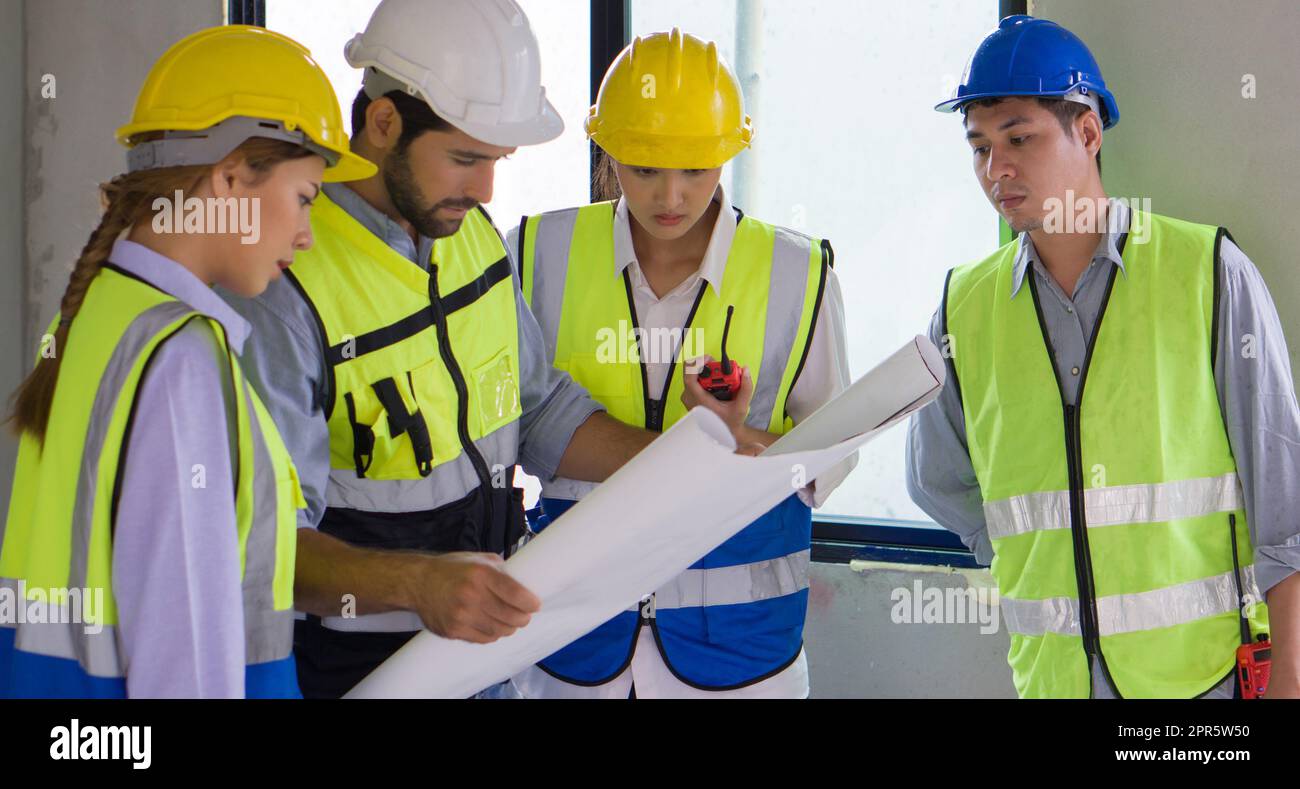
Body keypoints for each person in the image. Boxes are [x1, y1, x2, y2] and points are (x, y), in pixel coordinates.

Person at [222, 1, 757, 699]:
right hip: (355, 677)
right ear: (383, 123)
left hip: (483, 666)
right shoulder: (287, 289)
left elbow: (538, 414)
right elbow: (261, 550)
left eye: (496, 161)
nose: (485, 190)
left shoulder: (469, 235)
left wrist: (696, 450)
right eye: (466, 159)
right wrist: (419, 584)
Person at [906, 15, 1300, 698]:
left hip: (1202, 685)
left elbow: (1287, 514)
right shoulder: (963, 307)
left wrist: (1291, 680)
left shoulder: (1208, 275)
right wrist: (1030, 559)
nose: (995, 168)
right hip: (1051, 686)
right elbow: (935, 478)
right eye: (977, 147)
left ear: (1087, 132)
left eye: (1018, 138)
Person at [0, 25, 375, 697]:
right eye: (305, 198)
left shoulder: (92, 317)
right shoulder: (181, 361)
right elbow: (188, 661)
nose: (307, 236)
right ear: (231, 176)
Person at [509, 29, 855, 698]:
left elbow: (833, 455)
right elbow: (509, 425)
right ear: (608, 151)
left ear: (727, 155)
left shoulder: (799, 273)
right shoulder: (534, 252)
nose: (671, 196)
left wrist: (740, 443)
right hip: (575, 645)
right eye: (644, 169)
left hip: (741, 652)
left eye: (695, 169)